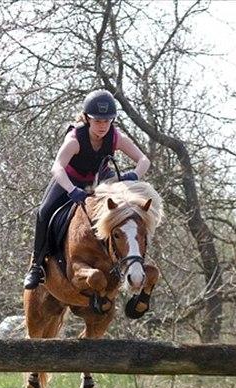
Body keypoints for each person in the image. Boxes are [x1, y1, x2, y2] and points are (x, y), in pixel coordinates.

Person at [23, 89, 152, 289]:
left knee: (130, 213)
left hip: (101, 181)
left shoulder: (116, 137)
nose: (102, 126)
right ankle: (36, 266)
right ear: (87, 119)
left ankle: (133, 257)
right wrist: (71, 190)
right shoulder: (75, 139)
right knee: (44, 212)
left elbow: (144, 160)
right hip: (69, 179)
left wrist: (134, 175)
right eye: (98, 121)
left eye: (107, 121)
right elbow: (57, 167)